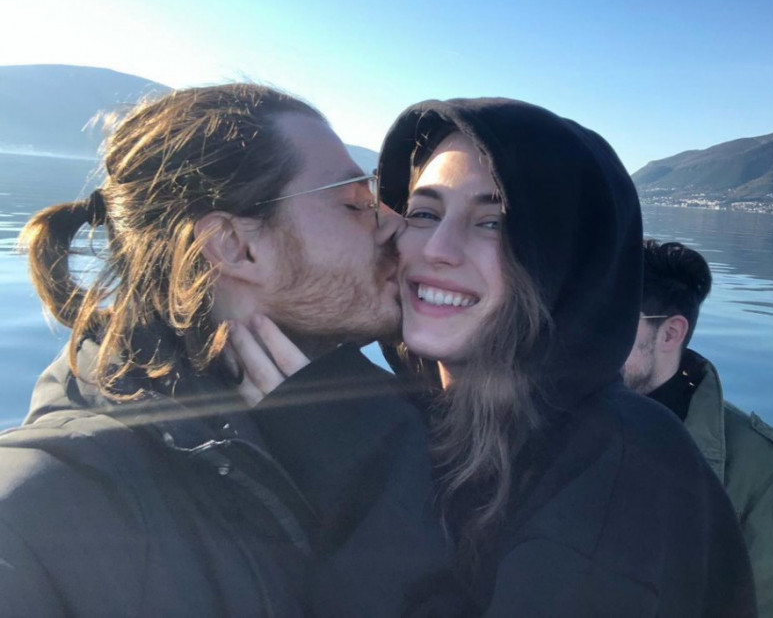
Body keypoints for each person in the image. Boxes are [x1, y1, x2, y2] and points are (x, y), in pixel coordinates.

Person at [0, 83, 449, 616]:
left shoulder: (384, 419)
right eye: (355, 203)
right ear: (233, 247)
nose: (396, 223)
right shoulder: (47, 514)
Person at [623, 239, 773, 616]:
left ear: (670, 333)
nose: (593, 335)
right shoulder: (564, 421)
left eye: (616, 320)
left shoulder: (764, 473)